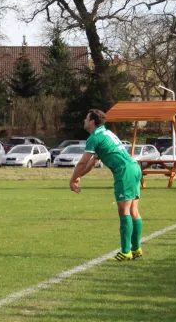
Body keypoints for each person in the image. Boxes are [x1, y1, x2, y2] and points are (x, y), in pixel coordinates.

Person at [69, 109, 143, 261]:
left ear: (92, 122)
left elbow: (83, 162)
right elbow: (93, 162)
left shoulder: (95, 137)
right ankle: (136, 249)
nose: (84, 119)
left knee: (124, 211)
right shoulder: (106, 134)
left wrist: (72, 179)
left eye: (86, 117)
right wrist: (80, 176)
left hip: (124, 172)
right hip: (134, 167)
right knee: (133, 209)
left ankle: (126, 251)